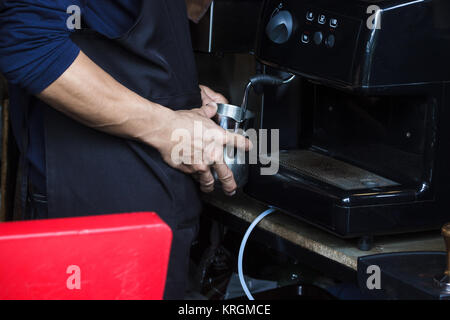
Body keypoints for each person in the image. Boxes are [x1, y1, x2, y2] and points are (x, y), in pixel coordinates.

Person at [0, 0, 249, 299]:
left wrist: (177, 90)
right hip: (96, 209)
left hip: (156, 204)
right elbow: (29, 44)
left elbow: (106, 26)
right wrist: (164, 127)